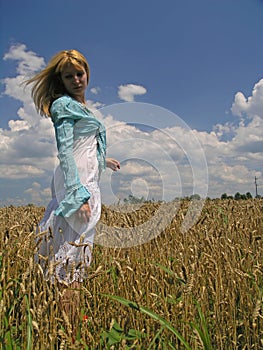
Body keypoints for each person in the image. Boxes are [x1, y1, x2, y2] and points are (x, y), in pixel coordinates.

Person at [25, 49, 120, 326]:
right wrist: (78, 194)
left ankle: (68, 324)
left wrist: (105, 160)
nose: (77, 79)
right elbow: (66, 152)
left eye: (80, 73)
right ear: (62, 80)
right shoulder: (63, 105)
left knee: (76, 260)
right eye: (69, 76)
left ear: (87, 73)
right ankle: (68, 330)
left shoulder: (81, 107)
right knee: (68, 265)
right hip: (75, 186)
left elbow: (85, 146)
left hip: (87, 183)